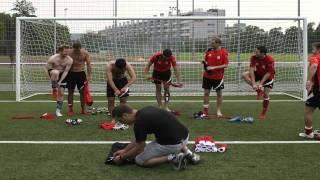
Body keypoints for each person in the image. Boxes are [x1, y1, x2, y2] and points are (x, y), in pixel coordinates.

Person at [111, 105, 200, 170]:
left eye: (121, 120)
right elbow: (138, 139)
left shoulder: (139, 123)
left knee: (139, 160)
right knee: (170, 132)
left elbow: (139, 148)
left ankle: (174, 157)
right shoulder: (147, 109)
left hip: (173, 144)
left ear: (125, 115)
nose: (123, 123)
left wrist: (122, 157)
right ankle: (188, 153)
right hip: (185, 136)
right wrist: (125, 150)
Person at [242, 45, 275, 120]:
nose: (255, 53)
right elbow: (251, 70)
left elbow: (268, 73)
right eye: (255, 51)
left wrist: (261, 83)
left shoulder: (270, 59)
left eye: (257, 52)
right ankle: (258, 91)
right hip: (258, 73)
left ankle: (263, 112)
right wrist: (253, 83)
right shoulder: (253, 57)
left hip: (268, 76)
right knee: (244, 75)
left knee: (266, 95)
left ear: (263, 53)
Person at [201, 37, 229, 117]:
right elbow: (206, 60)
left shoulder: (224, 52)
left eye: (213, 43)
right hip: (207, 76)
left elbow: (226, 65)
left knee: (219, 94)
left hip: (218, 77)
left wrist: (213, 67)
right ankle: (205, 111)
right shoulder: (209, 51)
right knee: (206, 93)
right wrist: (204, 62)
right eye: (211, 42)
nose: (211, 44)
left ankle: (218, 111)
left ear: (218, 43)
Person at [44, 45, 73, 117]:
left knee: (61, 94)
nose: (67, 53)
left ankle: (58, 111)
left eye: (68, 51)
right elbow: (45, 68)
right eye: (65, 51)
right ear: (60, 51)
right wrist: (49, 79)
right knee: (55, 72)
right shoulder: (53, 58)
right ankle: (54, 88)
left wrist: (60, 81)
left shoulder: (69, 60)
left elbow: (66, 71)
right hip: (53, 72)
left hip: (62, 75)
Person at [299, 42, 320, 139]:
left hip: (317, 90)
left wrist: (309, 80)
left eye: (314, 48)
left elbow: (314, 66)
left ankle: (308, 133)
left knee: (308, 111)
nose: (312, 50)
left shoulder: (315, 57)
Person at [106, 58, 136, 122]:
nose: (121, 70)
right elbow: (110, 80)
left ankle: (122, 118)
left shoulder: (127, 65)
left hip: (122, 81)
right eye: (119, 69)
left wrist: (125, 87)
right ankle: (113, 118)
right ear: (115, 66)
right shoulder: (109, 65)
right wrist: (116, 89)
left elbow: (134, 77)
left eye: (122, 69)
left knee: (123, 101)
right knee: (111, 100)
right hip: (112, 82)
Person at [66, 41, 92, 116]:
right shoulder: (69, 53)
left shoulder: (85, 53)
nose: (76, 51)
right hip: (71, 74)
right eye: (75, 49)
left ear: (80, 48)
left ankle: (83, 109)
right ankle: (70, 109)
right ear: (73, 48)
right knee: (70, 92)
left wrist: (89, 75)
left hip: (81, 74)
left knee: (82, 92)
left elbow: (89, 65)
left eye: (78, 49)